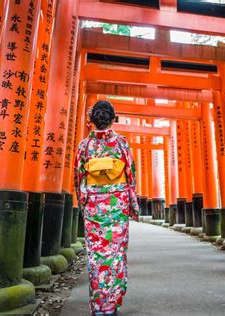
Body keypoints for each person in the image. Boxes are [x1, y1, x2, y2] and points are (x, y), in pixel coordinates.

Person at [74, 100, 139, 316]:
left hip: (94, 204)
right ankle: (113, 303)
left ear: (92, 120)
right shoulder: (121, 143)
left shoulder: (84, 146)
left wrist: (84, 203)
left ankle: (99, 306)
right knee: (115, 252)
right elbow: (130, 173)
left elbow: (79, 178)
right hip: (117, 204)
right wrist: (132, 203)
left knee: (96, 255)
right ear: (113, 118)